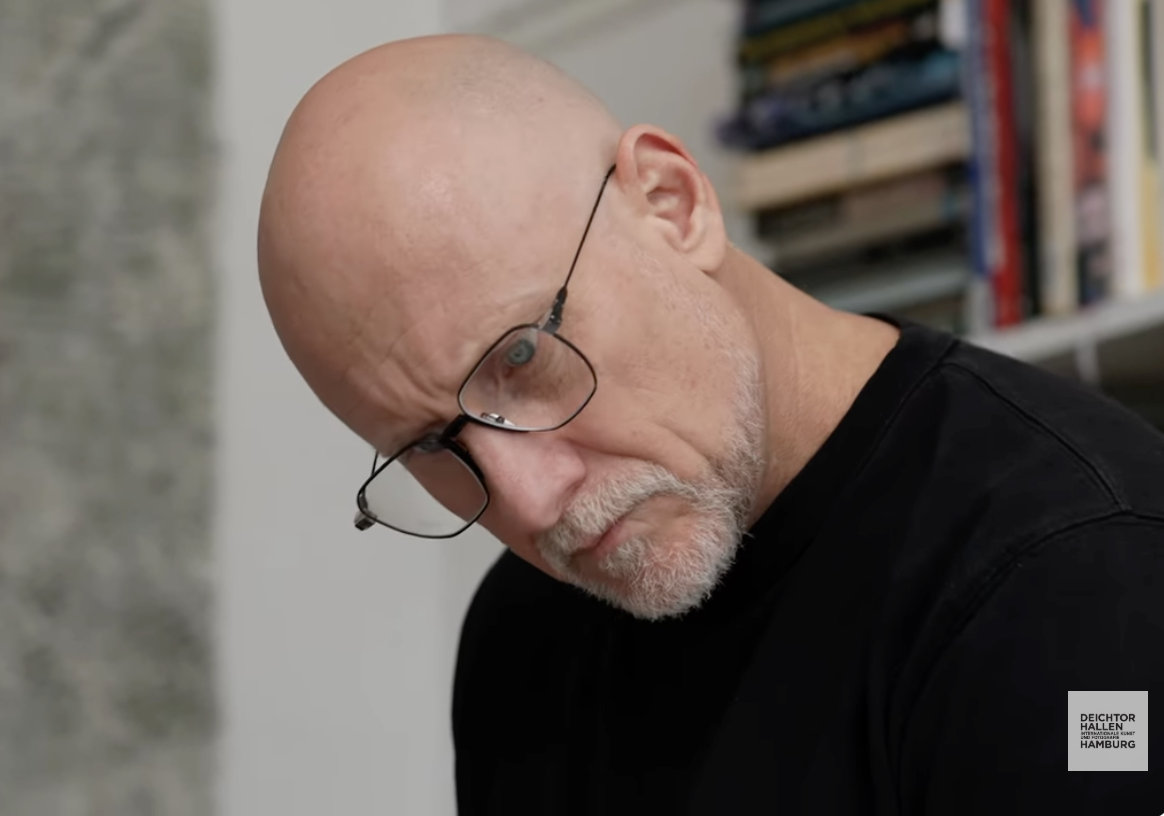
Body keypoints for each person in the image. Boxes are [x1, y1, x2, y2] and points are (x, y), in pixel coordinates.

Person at [257, 34, 1163, 814]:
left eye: (523, 359)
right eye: (429, 445)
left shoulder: (1074, 578)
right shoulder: (521, 639)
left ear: (671, 204)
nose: (531, 503)